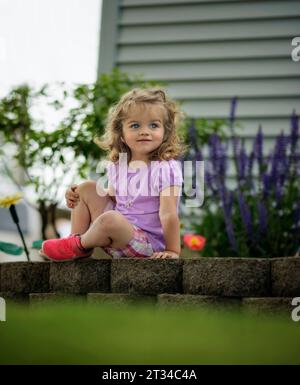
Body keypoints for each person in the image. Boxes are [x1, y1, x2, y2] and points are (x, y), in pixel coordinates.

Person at [40, 87, 187, 261]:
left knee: (111, 219)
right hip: (118, 234)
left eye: (154, 125)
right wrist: (74, 195)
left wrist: (172, 251)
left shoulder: (165, 168)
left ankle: (78, 244)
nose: (144, 131)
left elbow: (168, 213)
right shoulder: (119, 166)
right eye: (135, 125)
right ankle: (76, 244)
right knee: (85, 188)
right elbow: (115, 199)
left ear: (165, 133)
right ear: (121, 134)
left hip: (148, 245)